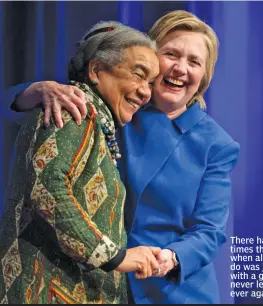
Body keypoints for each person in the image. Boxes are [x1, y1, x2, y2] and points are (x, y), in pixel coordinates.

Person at [6, 10, 240, 304]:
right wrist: (36, 90)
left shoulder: (217, 144)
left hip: (168, 290)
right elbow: (19, 114)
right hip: (97, 282)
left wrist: (170, 258)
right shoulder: (117, 105)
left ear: (204, 77)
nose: (181, 68)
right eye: (171, 54)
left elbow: (209, 230)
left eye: (194, 62)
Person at [0, 20, 161, 304]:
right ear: (96, 70)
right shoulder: (75, 108)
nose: (146, 92)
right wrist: (115, 257)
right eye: (139, 75)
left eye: (150, 82)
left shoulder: (99, 123)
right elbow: (47, 190)